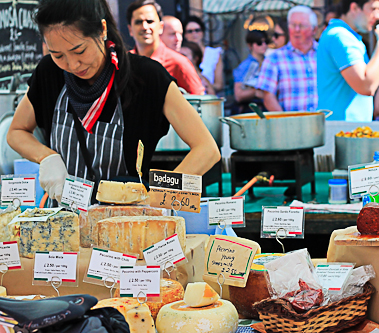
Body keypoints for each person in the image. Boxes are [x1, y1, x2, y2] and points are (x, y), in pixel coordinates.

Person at [6, 0, 220, 204]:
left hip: (128, 225)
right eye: (58, 55)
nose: (72, 64)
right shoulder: (49, 73)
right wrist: (46, 157)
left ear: (102, 29)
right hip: (65, 224)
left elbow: (207, 150)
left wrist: (159, 197)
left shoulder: (146, 76)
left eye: (79, 50)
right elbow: (16, 132)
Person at [316, 0, 379, 121]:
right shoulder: (340, 36)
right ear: (354, 8)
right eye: (373, 9)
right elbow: (366, 86)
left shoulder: (346, 36)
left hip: (346, 131)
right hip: (342, 132)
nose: (378, 15)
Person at [127, 0, 204, 95]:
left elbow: (200, 102)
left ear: (160, 27)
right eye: (138, 22)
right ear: (130, 29)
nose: (144, 27)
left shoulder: (179, 63)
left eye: (150, 21)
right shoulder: (124, 63)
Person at [256, 6, 318, 112]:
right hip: (291, 125)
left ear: (314, 30)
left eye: (302, 26)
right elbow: (268, 96)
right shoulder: (274, 58)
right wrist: (285, 122)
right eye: (293, 25)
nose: (296, 30)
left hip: (326, 123)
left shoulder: (326, 55)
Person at [183, 16, 224, 93]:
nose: (194, 33)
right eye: (190, 31)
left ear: (202, 32)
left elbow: (219, 85)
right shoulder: (181, 53)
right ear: (185, 34)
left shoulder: (214, 53)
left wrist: (203, 85)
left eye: (197, 30)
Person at [232, 30, 268, 115]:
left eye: (266, 42)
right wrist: (255, 92)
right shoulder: (245, 66)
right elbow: (238, 95)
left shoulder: (270, 62)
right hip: (250, 109)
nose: (264, 45)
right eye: (259, 43)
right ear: (250, 45)